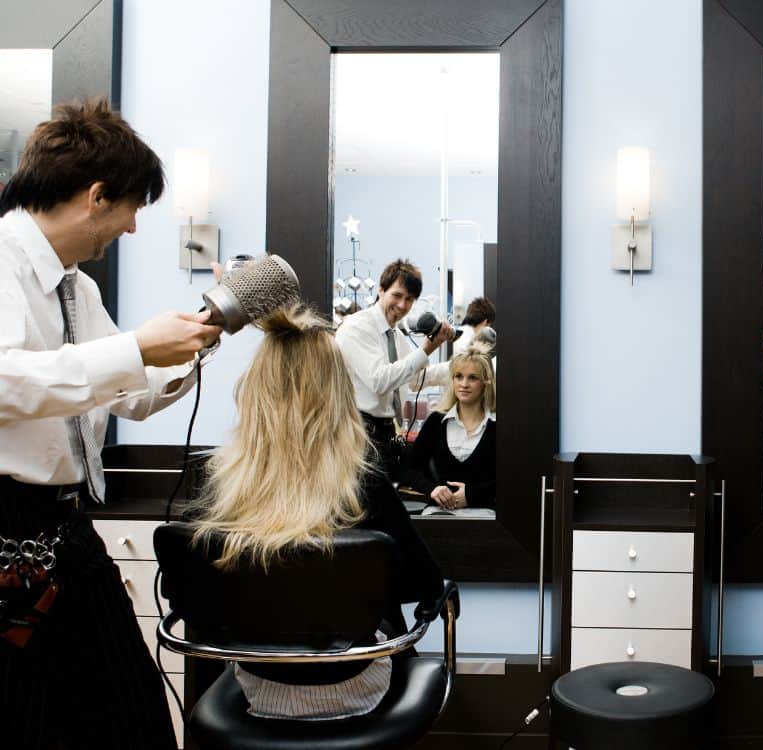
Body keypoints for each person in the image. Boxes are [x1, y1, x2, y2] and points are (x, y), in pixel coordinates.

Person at [0, 99, 222, 749]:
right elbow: (7, 383)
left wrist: (188, 347)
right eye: (130, 211)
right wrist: (133, 349)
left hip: (64, 523)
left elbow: (123, 393)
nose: (128, 230)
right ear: (98, 196)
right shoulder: (2, 265)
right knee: (24, 716)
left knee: (132, 712)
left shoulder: (78, 289)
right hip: (6, 522)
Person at [190, 304, 443, 720]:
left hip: (259, 680)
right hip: (358, 682)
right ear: (337, 392)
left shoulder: (223, 484)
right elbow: (423, 585)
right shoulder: (364, 484)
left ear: (255, 389)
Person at [335, 259, 455, 480]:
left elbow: (413, 379)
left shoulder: (397, 336)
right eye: (397, 295)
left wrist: (457, 368)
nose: (402, 305)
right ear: (381, 290)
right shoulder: (357, 328)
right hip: (359, 434)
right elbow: (380, 381)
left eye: (409, 299)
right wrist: (429, 348)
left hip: (386, 434)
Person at [402, 345, 497, 510]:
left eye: (472, 378)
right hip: (439, 515)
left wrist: (472, 495)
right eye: (458, 377)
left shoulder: (499, 426)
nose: (464, 384)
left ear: (485, 382)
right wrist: (432, 489)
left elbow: (511, 478)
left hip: (487, 517)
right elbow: (409, 469)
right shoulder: (436, 422)